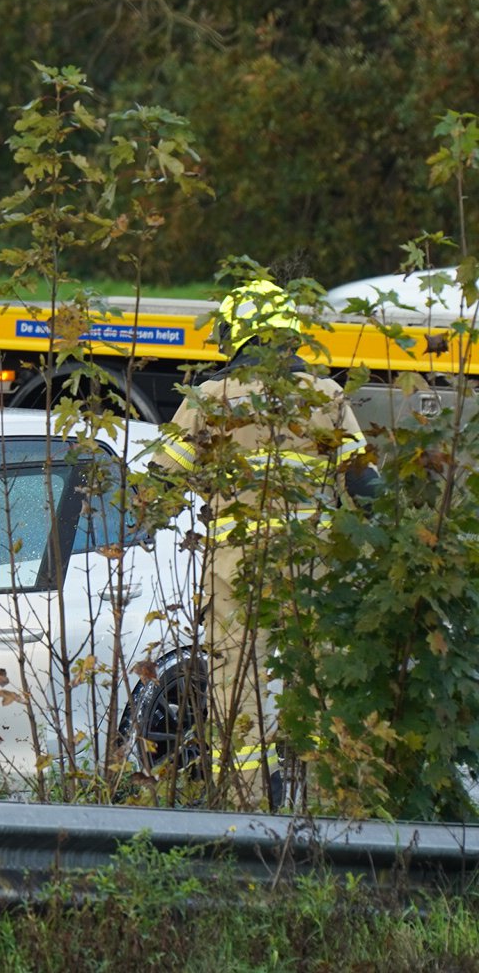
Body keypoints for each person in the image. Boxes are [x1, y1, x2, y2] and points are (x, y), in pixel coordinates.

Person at [148, 279, 379, 810]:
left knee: (237, 689)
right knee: (319, 684)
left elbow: (160, 484)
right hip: (312, 566)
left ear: (238, 334)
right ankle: (325, 809)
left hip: (237, 568)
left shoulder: (208, 400)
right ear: (289, 335)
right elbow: (366, 489)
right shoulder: (327, 397)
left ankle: (246, 810)